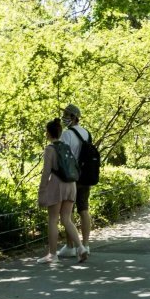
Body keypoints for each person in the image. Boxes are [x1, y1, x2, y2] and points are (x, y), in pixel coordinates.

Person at [38, 118, 86, 264]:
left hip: (57, 186)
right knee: (66, 219)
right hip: (71, 185)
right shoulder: (66, 146)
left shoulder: (50, 149)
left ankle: (52, 255)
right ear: (59, 132)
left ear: (48, 133)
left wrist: (41, 192)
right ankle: (80, 248)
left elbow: (46, 173)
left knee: (53, 219)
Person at [58, 104, 93, 258]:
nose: (64, 117)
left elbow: (62, 156)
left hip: (71, 177)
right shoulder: (87, 133)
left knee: (68, 211)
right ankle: (85, 244)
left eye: (66, 114)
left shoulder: (66, 134)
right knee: (84, 209)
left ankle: (70, 246)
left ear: (73, 117)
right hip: (86, 176)